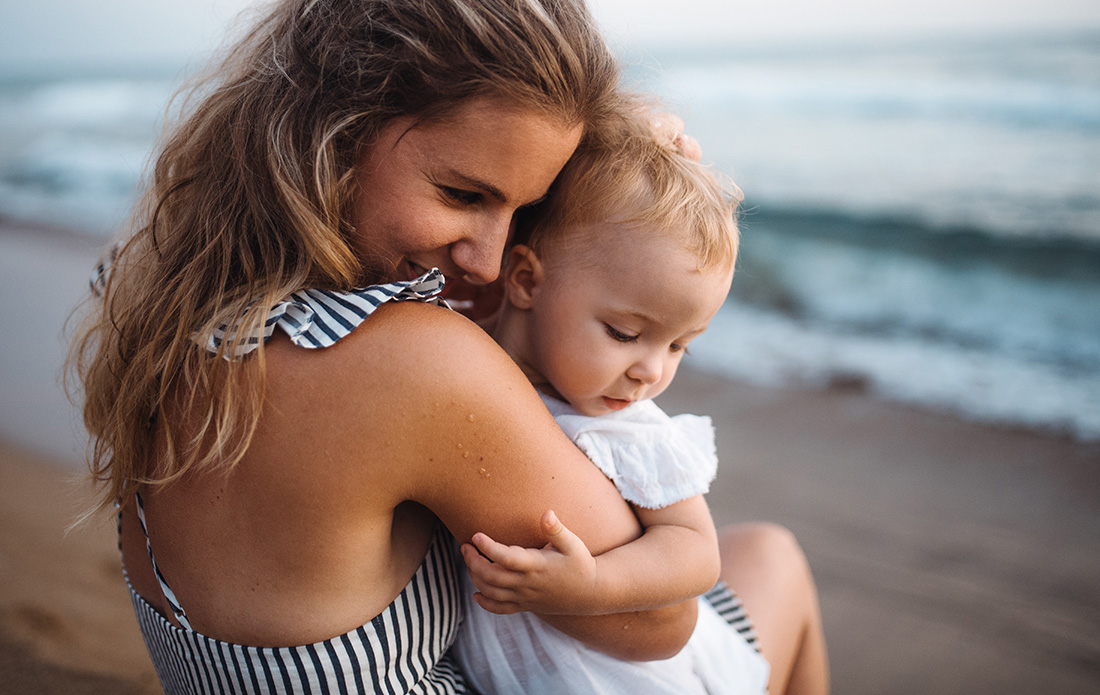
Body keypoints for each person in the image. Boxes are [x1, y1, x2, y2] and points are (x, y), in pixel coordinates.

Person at [69, 0, 827, 693]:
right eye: (465, 195)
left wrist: (607, 184)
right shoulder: (411, 364)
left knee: (758, 547)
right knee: (780, 564)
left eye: (523, 210)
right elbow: (662, 626)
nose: (492, 264)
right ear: (339, 128)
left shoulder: (170, 293)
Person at [451, 114, 770, 694]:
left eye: (680, 346)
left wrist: (594, 584)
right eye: (625, 333)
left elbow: (696, 552)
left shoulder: (630, 433)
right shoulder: (456, 347)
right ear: (524, 279)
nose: (652, 371)